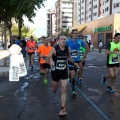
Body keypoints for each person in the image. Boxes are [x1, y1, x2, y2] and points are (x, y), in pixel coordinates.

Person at [47, 35, 79, 116]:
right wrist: (50, 62)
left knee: (64, 89)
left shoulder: (67, 48)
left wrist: (74, 62)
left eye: (65, 39)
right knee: (55, 88)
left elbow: (69, 57)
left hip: (64, 71)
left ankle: (63, 108)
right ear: (58, 40)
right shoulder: (55, 48)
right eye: (62, 39)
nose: (63, 41)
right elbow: (48, 58)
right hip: (55, 72)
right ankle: (54, 89)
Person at [66, 29, 87, 96]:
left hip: (78, 60)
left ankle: (70, 76)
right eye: (74, 33)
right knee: (73, 75)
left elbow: (87, 48)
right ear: (71, 34)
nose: (75, 34)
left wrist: (84, 56)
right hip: (70, 60)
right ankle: (73, 90)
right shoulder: (67, 41)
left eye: (76, 33)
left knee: (74, 74)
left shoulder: (80, 41)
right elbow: (63, 49)